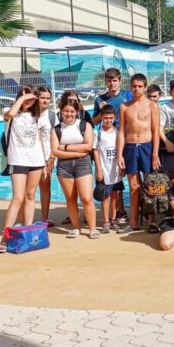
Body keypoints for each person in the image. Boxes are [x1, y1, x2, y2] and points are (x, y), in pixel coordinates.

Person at [0, 85, 51, 253]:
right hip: (18, 160)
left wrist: (46, 161)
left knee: (30, 196)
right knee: (18, 197)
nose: (29, 101)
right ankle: (5, 237)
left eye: (32, 98)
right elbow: (10, 114)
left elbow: (44, 139)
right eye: (26, 97)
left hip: (36, 160)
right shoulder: (10, 112)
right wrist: (23, 98)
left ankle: (28, 233)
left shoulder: (39, 116)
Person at [116, 73, 161, 234]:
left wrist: (155, 154)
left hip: (146, 147)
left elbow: (156, 131)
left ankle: (151, 221)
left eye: (140, 86)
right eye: (134, 86)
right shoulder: (124, 107)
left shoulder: (152, 106)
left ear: (145, 87)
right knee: (134, 186)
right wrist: (119, 154)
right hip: (130, 147)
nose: (136, 89)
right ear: (130, 87)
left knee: (150, 185)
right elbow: (121, 131)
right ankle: (133, 221)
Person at [51, 98, 97, 239]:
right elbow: (55, 151)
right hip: (64, 167)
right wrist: (77, 151)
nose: (69, 114)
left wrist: (65, 147)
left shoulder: (84, 125)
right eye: (66, 111)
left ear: (76, 112)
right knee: (71, 199)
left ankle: (93, 228)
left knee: (86, 198)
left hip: (83, 164)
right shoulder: (57, 129)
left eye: (72, 111)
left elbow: (88, 146)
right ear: (61, 111)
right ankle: (76, 227)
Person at [93, 105, 125, 233]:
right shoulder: (98, 133)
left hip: (115, 170)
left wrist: (122, 167)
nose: (108, 121)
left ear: (114, 117)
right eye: (105, 118)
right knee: (105, 197)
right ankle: (106, 220)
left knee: (115, 196)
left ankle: (113, 219)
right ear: (101, 118)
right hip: (104, 171)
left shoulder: (118, 132)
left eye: (111, 118)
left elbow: (121, 151)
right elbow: (95, 152)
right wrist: (99, 170)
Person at [36, 86, 56, 227]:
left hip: (47, 158)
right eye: (43, 97)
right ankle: (25, 219)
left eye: (48, 98)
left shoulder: (52, 116)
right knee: (28, 191)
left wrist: (52, 158)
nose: (45, 100)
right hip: (30, 159)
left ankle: (44, 218)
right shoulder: (30, 115)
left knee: (45, 188)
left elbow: (55, 139)